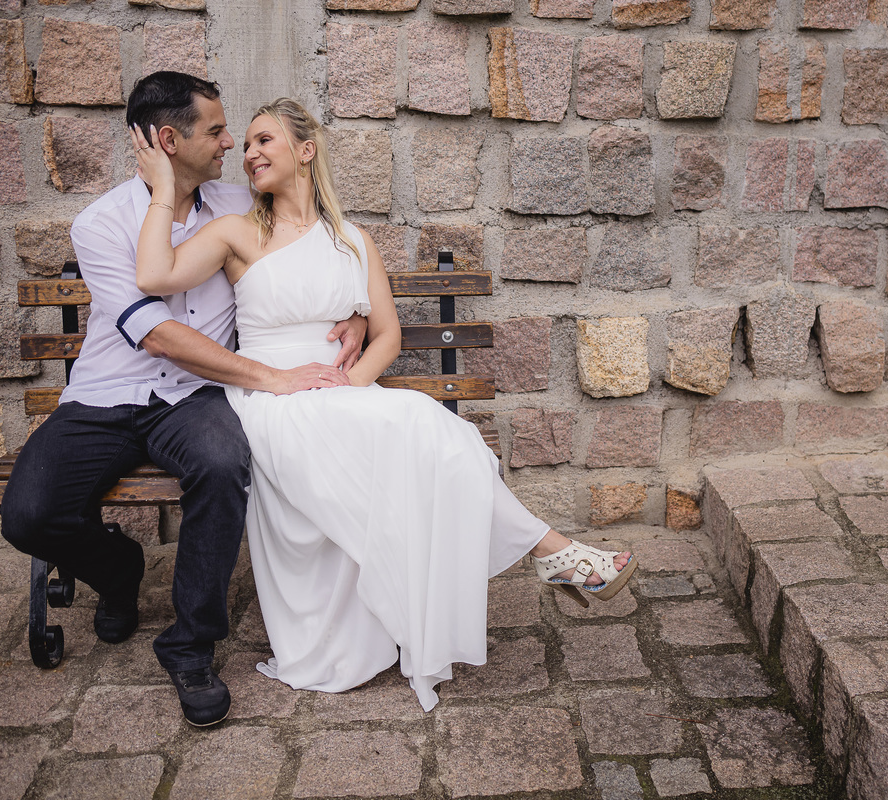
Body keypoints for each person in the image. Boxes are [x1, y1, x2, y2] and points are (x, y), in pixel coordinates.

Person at [130, 98, 637, 712]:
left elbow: (387, 335)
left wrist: (349, 387)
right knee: (430, 428)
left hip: (341, 395)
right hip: (273, 398)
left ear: (306, 150)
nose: (251, 153)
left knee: (442, 440)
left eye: (265, 140)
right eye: (248, 144)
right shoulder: (237, 233)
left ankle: (551, 553)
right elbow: (154, 277)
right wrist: (163, 190)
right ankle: (554, 552)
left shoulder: (353, 240)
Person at [1, 73, 368, 728]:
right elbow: (157, 334)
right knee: (27, 515)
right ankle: (120, 572)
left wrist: (356, 313)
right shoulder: (100, 224)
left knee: (224, 464)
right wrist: (270, 376)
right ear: (170, 141)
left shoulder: (239, 200)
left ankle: (190, 645)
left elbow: (311, 246)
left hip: (197, 397)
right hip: (106, 396)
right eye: (217, 131)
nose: (233, 144)